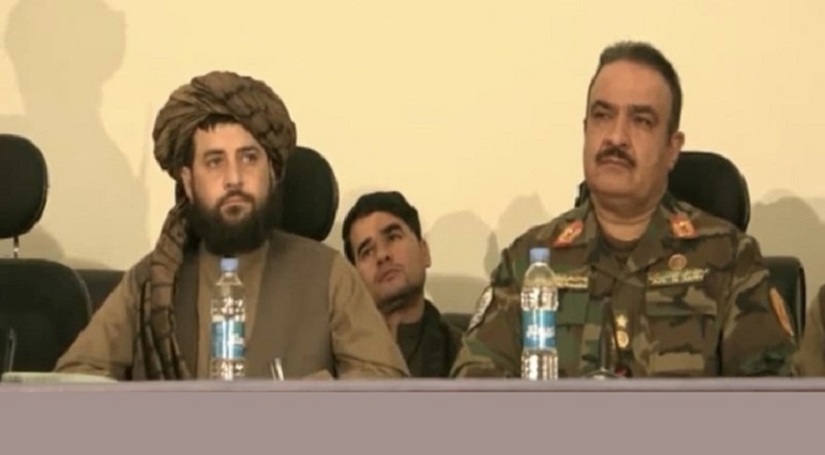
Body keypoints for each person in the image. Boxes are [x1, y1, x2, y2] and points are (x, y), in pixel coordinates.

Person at [450, 40, 797, 378]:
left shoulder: (729, 259)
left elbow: (772, 400)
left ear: (672, 148)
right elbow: (472, 392)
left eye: (641, 121)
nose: (616, 137)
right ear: (586, 130)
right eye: (602, 116)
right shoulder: (528, 261)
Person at [54, 71, 409, 380]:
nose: (234, 178)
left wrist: (311, 399)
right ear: (188, 182)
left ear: (272, 173)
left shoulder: (330, 275)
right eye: (215, 162)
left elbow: (388, 390)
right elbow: (74, 382)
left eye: (249, 158)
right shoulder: (149, 283)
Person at [342, 191, 463, 377]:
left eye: (393, 237)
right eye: (367, 252)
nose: (382, 255)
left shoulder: (466, 357)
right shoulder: (339, 358)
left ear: (424, 252)